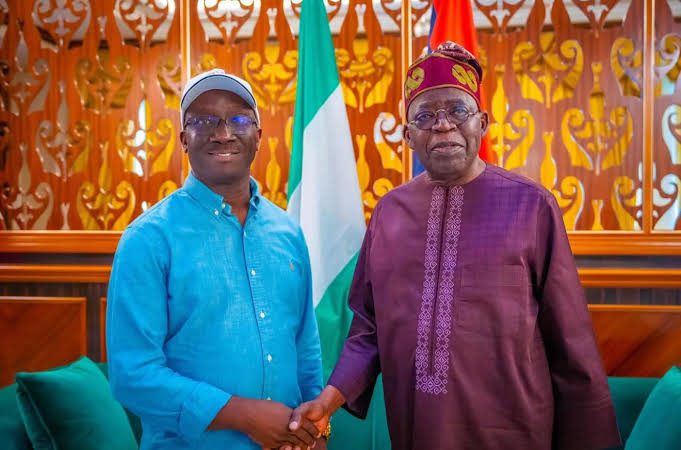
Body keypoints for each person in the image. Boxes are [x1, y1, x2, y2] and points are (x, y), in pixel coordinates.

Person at [288, 42, 622, 450]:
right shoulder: (390, 214)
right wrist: (328, 400)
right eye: (425, 116)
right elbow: (368, 330)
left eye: (457, 111)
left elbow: (571, 342)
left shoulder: (531, 207)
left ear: (482, 123)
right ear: (408, 136)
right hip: (418, 433)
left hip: (515, 433)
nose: (443, 125)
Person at [107, 69, 325, 450]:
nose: (223, 133)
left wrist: (316, 430)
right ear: (183, 139)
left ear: (258, 135)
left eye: (239, 120)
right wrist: (244, 415)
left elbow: (305, 347)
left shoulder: (288, 233)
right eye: (204, 121)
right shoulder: (148, 240)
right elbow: (132, 374)